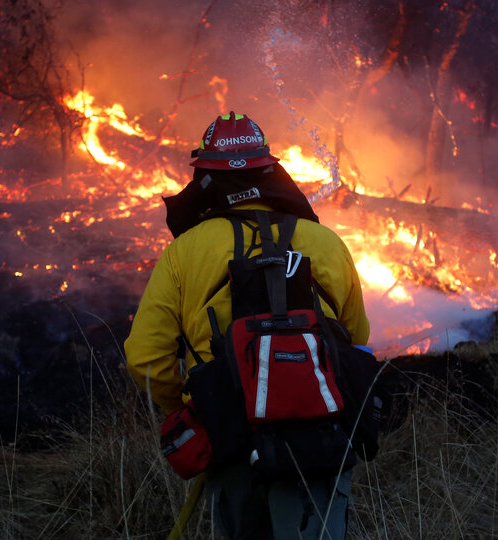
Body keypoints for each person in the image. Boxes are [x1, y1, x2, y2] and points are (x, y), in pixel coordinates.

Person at [124, 112, 370, 539]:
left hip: (232, 436)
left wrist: (195, 406)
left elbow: (145, 359)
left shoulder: (185, 251)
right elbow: (357, 342)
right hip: (323, 436)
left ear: (205, 178)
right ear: (271, 170)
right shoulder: (327, 242)